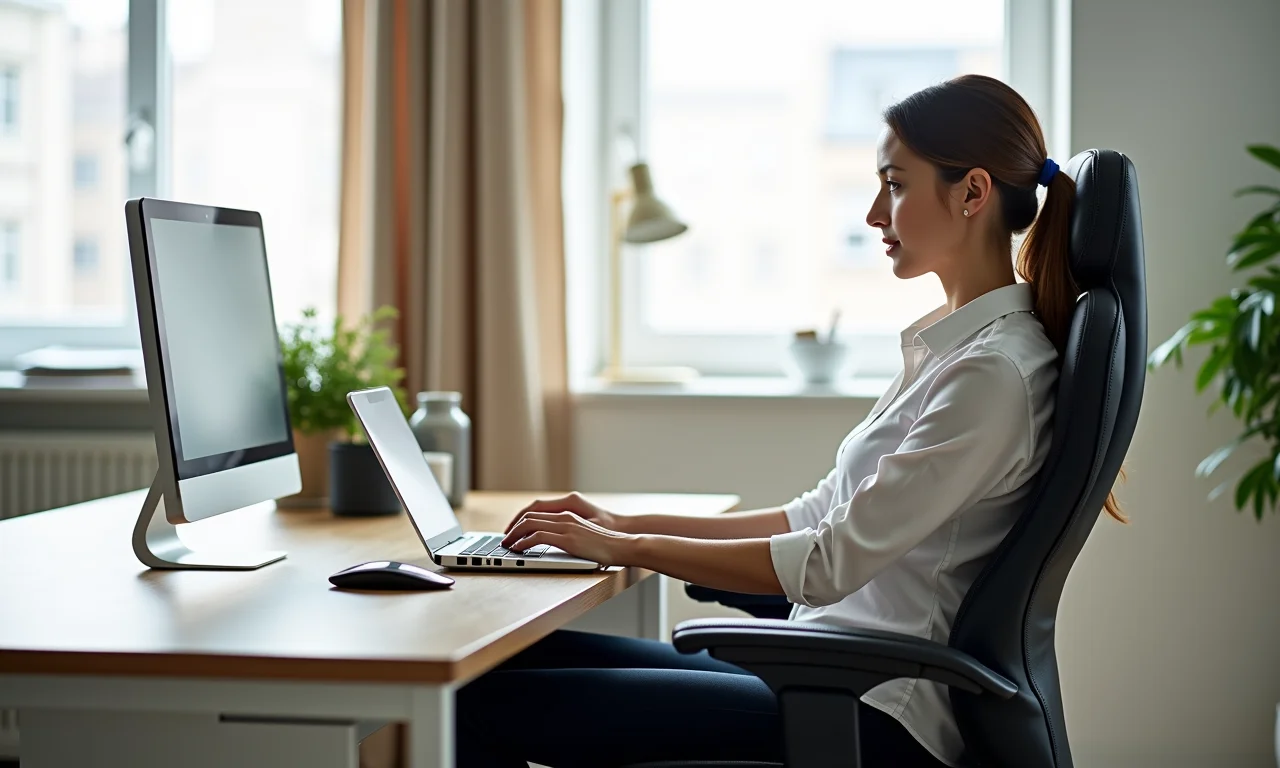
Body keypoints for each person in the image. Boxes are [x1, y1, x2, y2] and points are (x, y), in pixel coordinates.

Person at [455, 74, 1126, 768]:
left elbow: (827, 562)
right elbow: (816, 514)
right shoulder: (952, 350)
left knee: (474, 705)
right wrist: (619, 526)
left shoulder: (992, 376)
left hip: (876, 711)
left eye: (894, 185)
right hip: (828, 676)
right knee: (493, 663)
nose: (872, 213)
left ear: (973, 193)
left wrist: (630, 549)